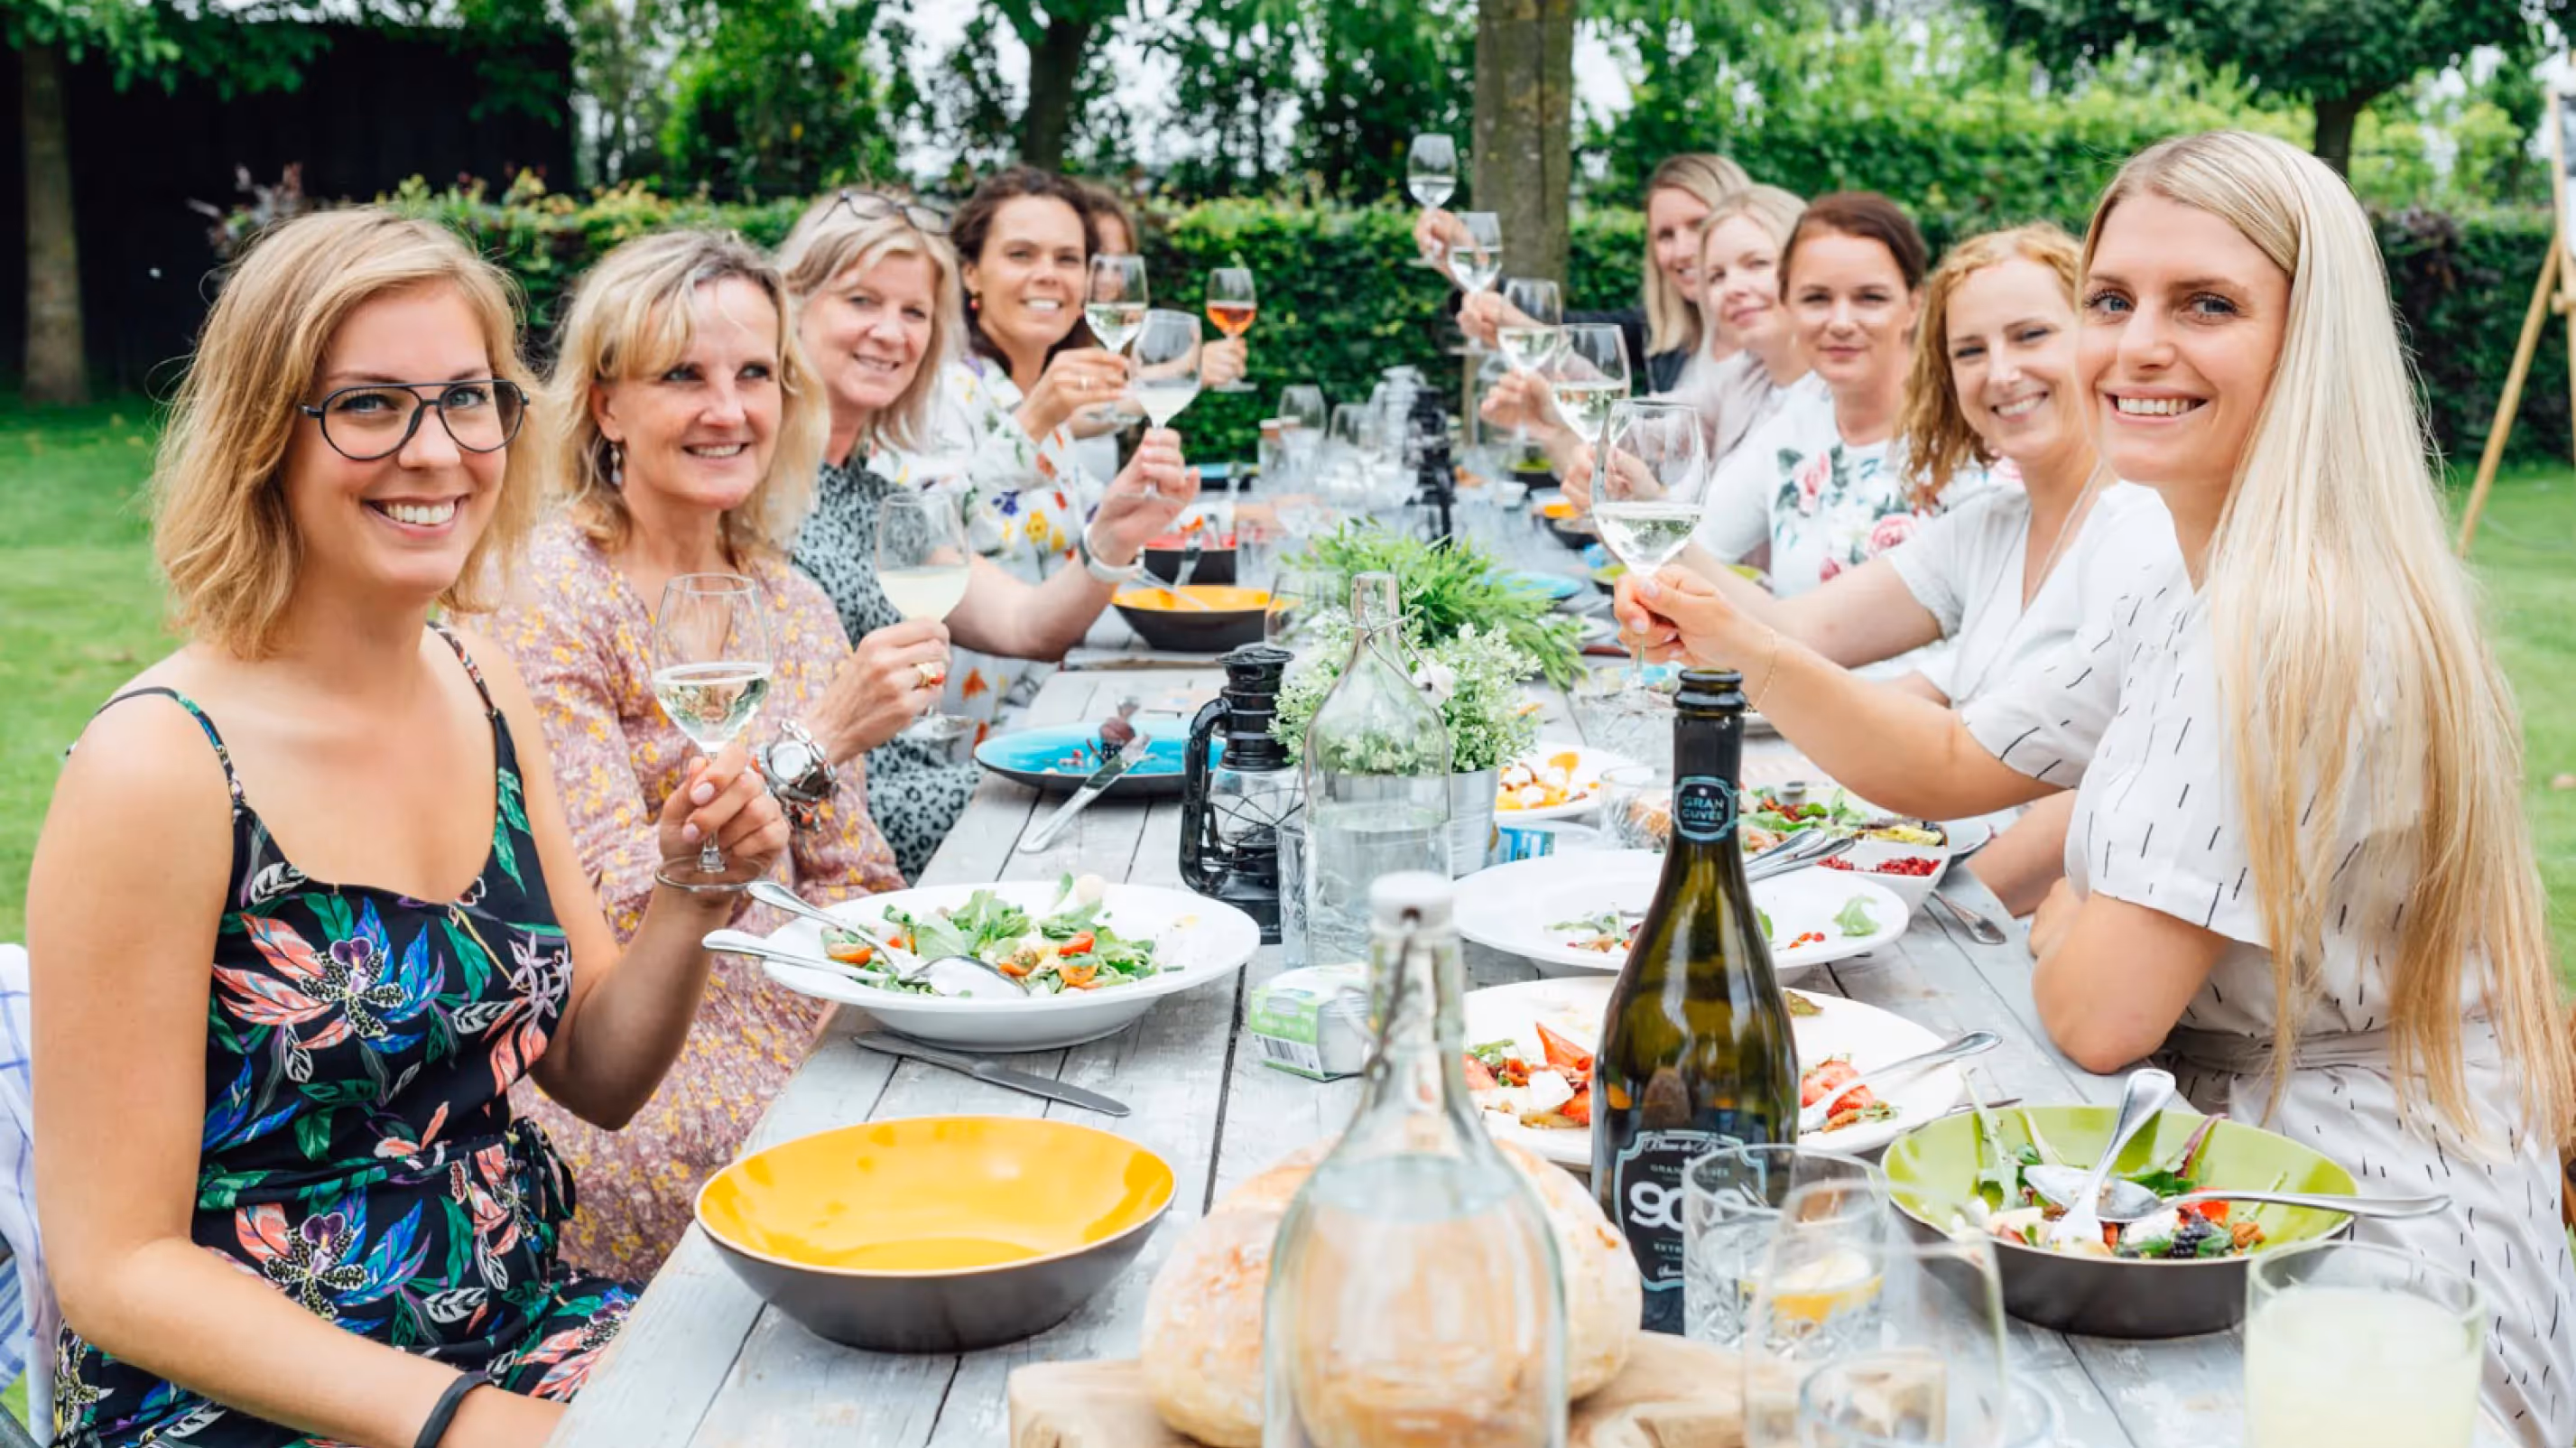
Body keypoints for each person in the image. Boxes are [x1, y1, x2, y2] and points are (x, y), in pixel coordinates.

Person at [1616, 130, 2575, 1442]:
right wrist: (1747, 646)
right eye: (2112, 301)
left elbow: (2097, 1008)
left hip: (2358, 1263)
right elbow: (1959, 769)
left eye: (2208, 306)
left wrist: (2074, 896)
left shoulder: (2285, 617)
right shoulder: (2194, 563)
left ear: (2314, 342)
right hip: (2239, 1179)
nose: (2133, 347)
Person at [25, 209, 788, 1448]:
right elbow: (117, 1268)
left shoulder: (482, 684)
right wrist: (464, 1425)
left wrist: (695, 896)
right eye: (371, 406)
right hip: (250, 1400)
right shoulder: (159, 766)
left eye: (468, 399)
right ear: (264, 433)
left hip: (514, 1324)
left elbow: (595, 1072)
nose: (436, 453)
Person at [484, 229, 911, 1282]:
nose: (729, 410)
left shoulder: (789, 597)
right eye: (684, 375)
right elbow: (611, 895)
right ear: (605, 404)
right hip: (635, 1050)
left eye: (754, 373)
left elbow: (854, 877)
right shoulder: (550, 596)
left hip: (800, 1009)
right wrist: (816, 740)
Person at [1680, 223, 2164, 914]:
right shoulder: (1993, 523)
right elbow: (1801, 631)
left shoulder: (2143, 527)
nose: (2000, 372)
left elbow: (2096, 796)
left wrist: (1938, 914)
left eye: (2031, 336)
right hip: (1949, 877)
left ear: (2095, 339)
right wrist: (1654, 539)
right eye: (1970, 350)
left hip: (2040, 929)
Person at [778, 188, 1203, 877]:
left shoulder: (873, 495)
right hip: (849, 821)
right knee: (1134, 815)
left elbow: (1026, 625)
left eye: (913, 311)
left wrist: (1116, 537)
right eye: (861, 301)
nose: (891, 331)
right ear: (792, 305)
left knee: (1168, 783)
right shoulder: (752, 489)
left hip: (902, 794)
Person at [1685, 191, 1986, 600]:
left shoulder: (1972, 435)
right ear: (1788, 304)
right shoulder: (1796, 424)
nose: (1841, 322)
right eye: (1817, 299)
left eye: (1870, 298)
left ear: (1914, 305)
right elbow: (1696, 552)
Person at [1493, 185, 1812, 491]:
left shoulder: (1829, 397)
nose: (1733, 288)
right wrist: (1552, 403)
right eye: (1716, 276)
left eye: (1757, 264)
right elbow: (1641, 426)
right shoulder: (1747, 378)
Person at [1433, 153, 1751, 392]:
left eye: (1698, 225)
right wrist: (1478, 275)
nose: (1682, 250)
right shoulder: (1664, 332)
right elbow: (1569, 330)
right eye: (1665, 236)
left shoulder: (1768, 346)